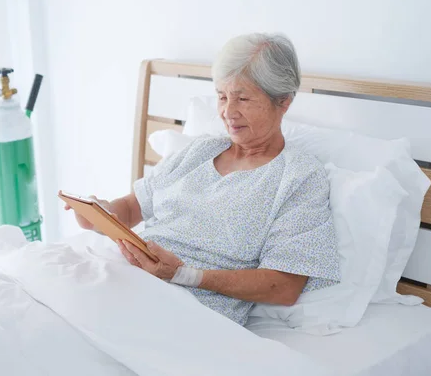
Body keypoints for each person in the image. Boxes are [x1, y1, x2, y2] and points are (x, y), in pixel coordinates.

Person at [65, 33, 340, 326]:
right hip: (123, 276)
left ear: (283, 101)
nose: (227, 112)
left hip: (186, 310)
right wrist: (100, 214)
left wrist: (183, 274)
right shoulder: (198, 150)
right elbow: (132, 210)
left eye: (243, 98)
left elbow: (284, 287)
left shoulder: (299, 177)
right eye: (222, 96)